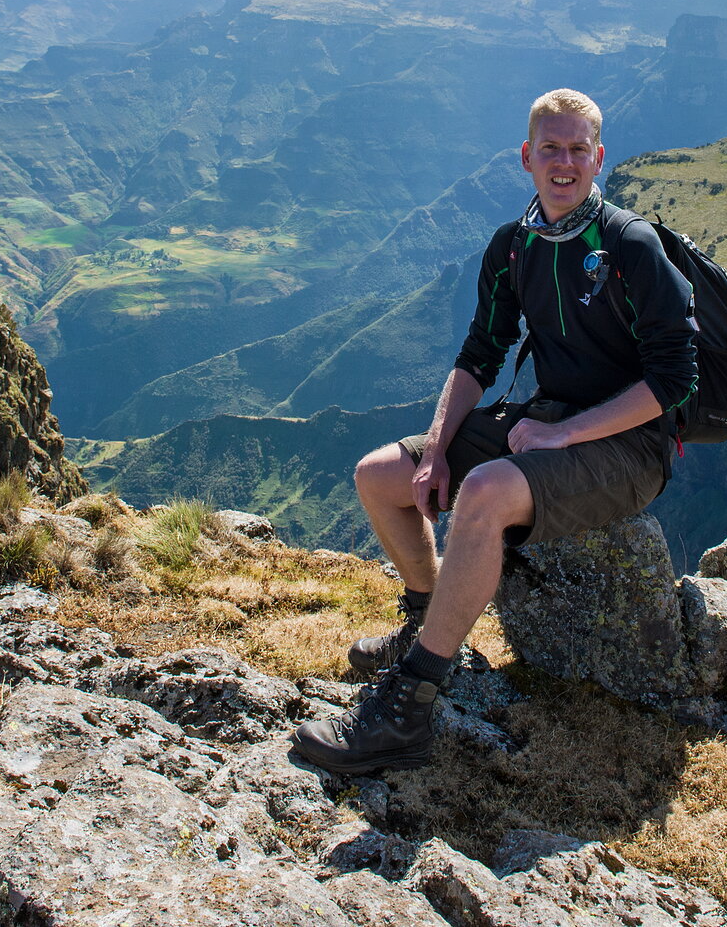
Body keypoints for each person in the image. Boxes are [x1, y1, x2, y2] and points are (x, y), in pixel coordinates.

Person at [290, 88, 699, 775]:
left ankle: (409, 707)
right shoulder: (516, 246)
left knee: (482, 492)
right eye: (550, 149)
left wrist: (565, 435)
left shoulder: (630, 244)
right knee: (379, 476)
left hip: (630, 447)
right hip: (548, 427)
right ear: (526, 157)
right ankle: (424, 616)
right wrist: (437, 449)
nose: (563, 163)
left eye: (577, 150)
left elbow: (675, 379)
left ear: (598, 159)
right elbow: (480, 354)